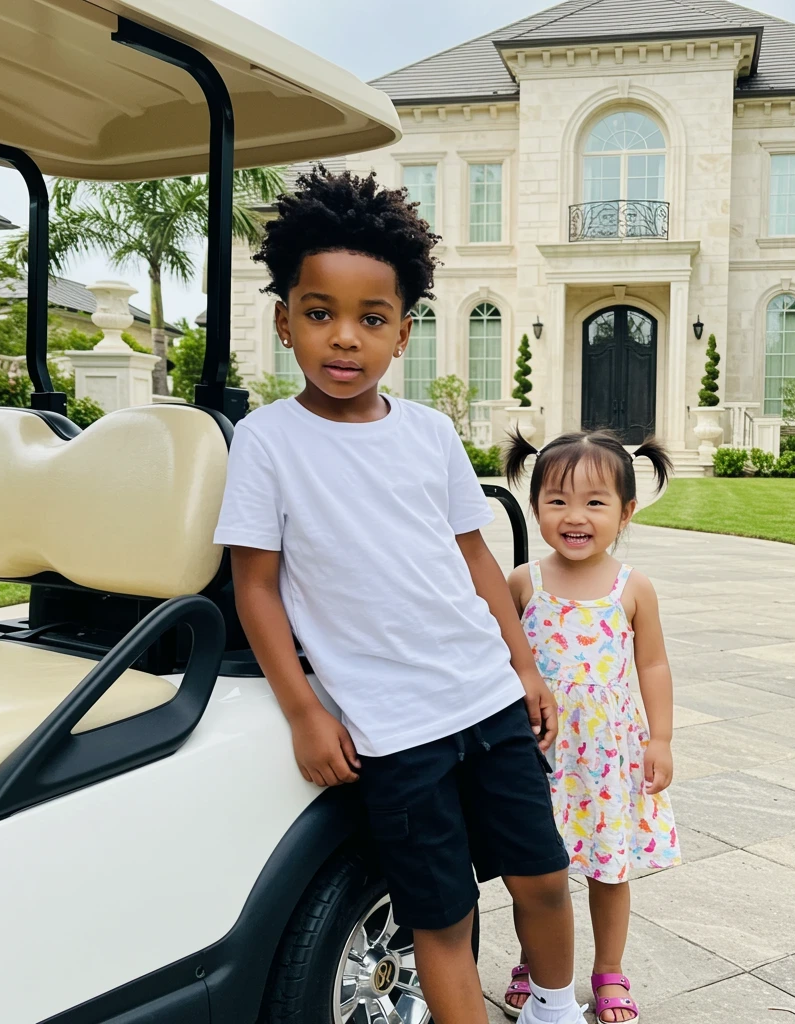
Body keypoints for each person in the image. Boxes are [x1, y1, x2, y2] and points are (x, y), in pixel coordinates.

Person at [212, 167, 588, 1024]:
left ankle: (554, 1006)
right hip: (393, 729)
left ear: (403, 334)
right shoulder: (268, 442)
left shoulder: (429, 433)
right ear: (285, 321)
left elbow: (476, 560)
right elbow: (255, 587)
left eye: (371, 319)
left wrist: (525, 667)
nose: (344, 339)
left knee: (542, 875)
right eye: (320, 314)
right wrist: (305, 712)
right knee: (440, 916)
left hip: (486, 697)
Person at [501, 430, 682, 1024]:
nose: (574, 516)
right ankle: (536, 964)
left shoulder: (633, 588)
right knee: (535, 872)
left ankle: (609, 970)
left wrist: (661, 739)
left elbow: (652, 664)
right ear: (535, 507)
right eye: (557, 500)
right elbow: (501, 658)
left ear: (626, 512)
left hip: (605, 755)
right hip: (540, 753)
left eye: (595, 502)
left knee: (609, 868)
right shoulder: (524, 582)